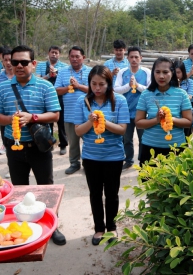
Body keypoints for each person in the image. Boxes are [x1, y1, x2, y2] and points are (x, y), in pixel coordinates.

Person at [0, 45, 66, 245]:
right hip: (14, 147)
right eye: (15, 62)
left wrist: (32, 117)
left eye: (24, 62)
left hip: (39, 147)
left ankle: (52, 226)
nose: (19, 66)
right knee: (19, 190)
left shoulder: (45, 87)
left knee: (46, 188)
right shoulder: (2, 87)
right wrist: (11, 119)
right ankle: (24, 228)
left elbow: (55, 114)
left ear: (33, 64)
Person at [74, 66, 129, 245]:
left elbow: (122, 130)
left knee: (112, 194)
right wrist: (90, 122)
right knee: (95, 194)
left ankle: (112, 228)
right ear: (89, 84)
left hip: (113, 157)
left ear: (109, 83)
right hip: (91, 157)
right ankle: (99, 228)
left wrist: (104, 121)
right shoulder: (83, 102)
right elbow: (77, 131)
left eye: (102, 84)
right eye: (94, 84)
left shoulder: (119, 101)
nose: (97, 88)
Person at [136, 57, 193, 165]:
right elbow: (138, 123)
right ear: (153, 73)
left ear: (172, 73)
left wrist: (170, 119)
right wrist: (156, 120)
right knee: (148, 181)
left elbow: (189, 122)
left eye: (165, 72)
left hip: (175, 148)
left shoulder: (181, 94)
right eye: (157, 72)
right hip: (150, 148)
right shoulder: (146, 94)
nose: (161, 76)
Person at [54, 46, 92, 175]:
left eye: (77, 56)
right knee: (73, 141)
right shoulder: (63, 72)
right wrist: (68, 87)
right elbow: (56, 90)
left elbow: (95, 90)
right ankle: (74, 163)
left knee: (89, 140)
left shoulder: (91, 71)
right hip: (70, 113)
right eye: (72, 56)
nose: (74, 59)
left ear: (83, 57)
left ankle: (88, 163)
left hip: (88, 113)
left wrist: (78, 86)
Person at [114, 46, 151, 170]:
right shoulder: (122, 72)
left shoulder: (146, 72)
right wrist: (128, 86)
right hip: (125, 111)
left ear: (141, 58)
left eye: (136, 57)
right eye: (131, 57)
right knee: (127, 139)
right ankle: (128, 159)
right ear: (127, 58)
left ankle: (142, 160)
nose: (134, 59)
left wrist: (137, 85)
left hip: (142, 112)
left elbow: (150, 90)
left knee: (143, 138)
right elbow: (116, 89)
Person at [36, 46, 69, 155]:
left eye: (56, 53)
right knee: (47, 122)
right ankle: (48, 143)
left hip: (60, 96)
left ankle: (63, 145)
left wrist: (57, 74)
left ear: (59, 54)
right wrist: (48, 75)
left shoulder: (64, 66)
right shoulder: (41, 65)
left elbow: (66, 82)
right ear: (48, 53)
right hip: (44, 96)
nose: (54, 54)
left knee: (61, 122)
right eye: (52, 52)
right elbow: (37, 79)